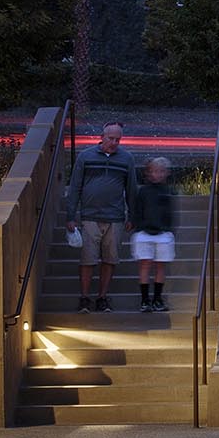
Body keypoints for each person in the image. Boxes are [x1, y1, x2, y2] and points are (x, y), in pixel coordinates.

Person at [64, 122, 136, 313]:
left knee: (110, 259)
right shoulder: (85, 156)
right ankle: (85, 297)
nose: (114, 142)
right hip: (90, 216)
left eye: (118, 139)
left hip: (115, 217)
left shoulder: (126, 159)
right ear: (102, 136)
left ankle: (102, 297)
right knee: (88, 259)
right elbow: (75, 187)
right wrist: (70, 215)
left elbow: (131, 189)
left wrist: (132, 215)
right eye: (111, 138)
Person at [129, 157, 176, 312]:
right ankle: (144, 299)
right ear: (149, 173)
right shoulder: (143, 191)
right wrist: (138, 225)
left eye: (161, 171)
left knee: (160, 265)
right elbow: (138, 210)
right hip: (144, 232)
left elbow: (169, 213)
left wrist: (168, 228)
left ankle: (157, 298)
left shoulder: (167, 191)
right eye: (155, 171)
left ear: (166, 173)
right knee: (145, 264)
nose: (158, 174)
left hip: (162, 233)